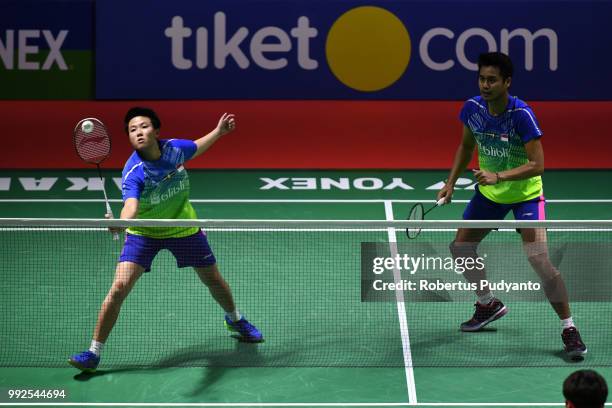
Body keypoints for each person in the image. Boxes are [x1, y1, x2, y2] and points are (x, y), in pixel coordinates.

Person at [69, 107, 263, 372]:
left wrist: (219, 132)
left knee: (213, 279)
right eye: (132, 130)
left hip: (183, 227)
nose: (138, 132)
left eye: (143, 126)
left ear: (156, 131)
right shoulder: (134, 171)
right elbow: (131, 207)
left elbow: (195, 146)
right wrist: (121, 223)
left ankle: (235, 320)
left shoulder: (174, 149)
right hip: (144, 233)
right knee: (118, 288)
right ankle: (93, 352)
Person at [437, 52, 587, 358]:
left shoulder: (522, 115)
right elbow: (466, 147)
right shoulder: (473, 109)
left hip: (525, 194)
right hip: (490, 193)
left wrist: (498, 175)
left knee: (539, 260)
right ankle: (487, 303)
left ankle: (569, 328)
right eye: (482, 78)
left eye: (492, 79)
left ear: (507, 82)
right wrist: (450, 182)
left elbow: (538, 164)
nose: (485, 85)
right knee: (460, 248)